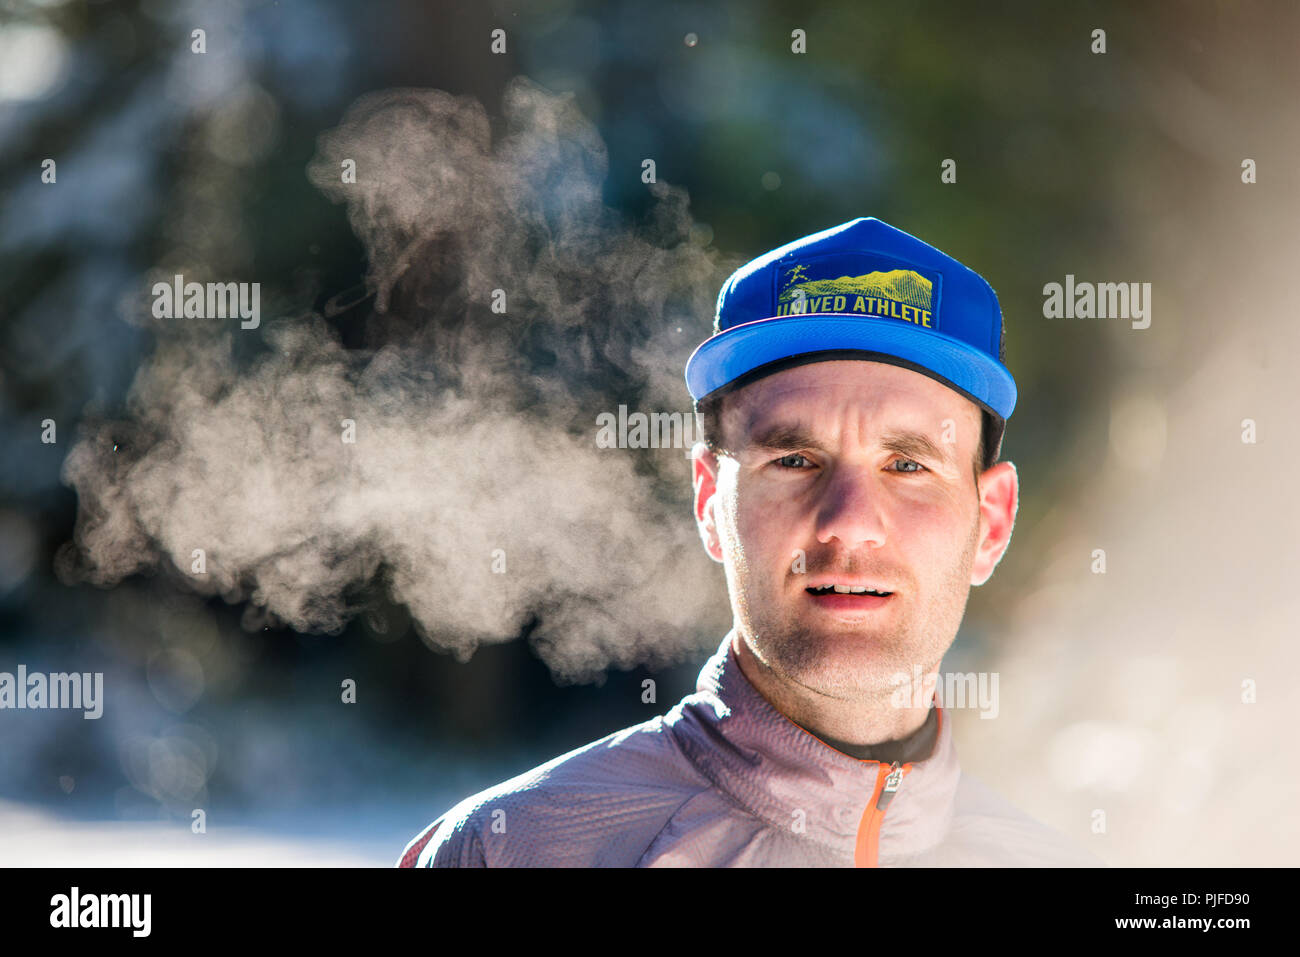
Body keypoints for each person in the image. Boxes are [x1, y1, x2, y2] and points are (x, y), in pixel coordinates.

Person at [398, 216, 1102, 867]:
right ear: (710, 499)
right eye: (794, 459)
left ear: (992, 521)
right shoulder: (512, 851)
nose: (849, 519)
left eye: (908, 465)